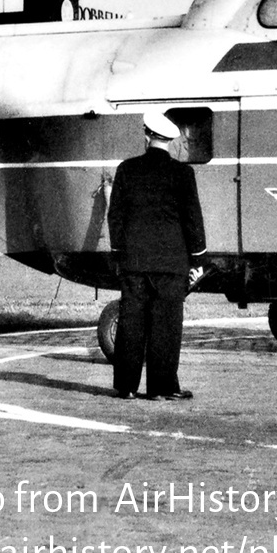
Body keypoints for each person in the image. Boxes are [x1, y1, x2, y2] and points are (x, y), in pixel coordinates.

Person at [108, 111, 207, 401]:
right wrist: (197, 259)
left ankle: (126, 387)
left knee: (131, 323)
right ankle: (161, 389)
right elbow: (193, 219)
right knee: (166, 325)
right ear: (170, 141)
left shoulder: (127, 169)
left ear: (146, 135)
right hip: (171, 263)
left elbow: (116, 216)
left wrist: (118, 253)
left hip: (135, 262)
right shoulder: (183, 173)